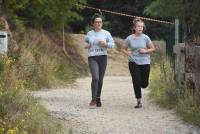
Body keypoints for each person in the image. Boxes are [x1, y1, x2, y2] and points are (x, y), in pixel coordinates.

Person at [122, 17, 155, 108]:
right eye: (138, 26)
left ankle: (142, 84)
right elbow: (123, 49)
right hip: (133, 62)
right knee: (136, 81)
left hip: (145, 62)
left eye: (142, 26)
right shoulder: (129, 38)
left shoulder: (146, 38)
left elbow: (153, 48)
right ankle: (139, 101)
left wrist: (145, 51)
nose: (140, 28)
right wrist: (127, 52)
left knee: (144, 84)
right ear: (134, 28)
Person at [84, 13, 115, 107]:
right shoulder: (89, 33)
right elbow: (84, 44)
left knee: (100, 79)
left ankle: (98, 98)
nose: (98, 24)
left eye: (100, 22)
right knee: (95, 77)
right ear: (93, 24)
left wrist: (105, 44)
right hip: (92, 57)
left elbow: (113, 45)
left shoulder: (106, 33)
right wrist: (88, 45)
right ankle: (93, 98)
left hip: (103, 57)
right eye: (96, 22)